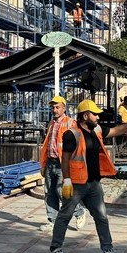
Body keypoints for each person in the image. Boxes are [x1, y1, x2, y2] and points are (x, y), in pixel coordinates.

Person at [49, 100, 127, 253]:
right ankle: (56, 247)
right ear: (85, 115)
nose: (98, 117)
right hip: (76, 184)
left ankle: (108, 248)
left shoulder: (97, 129)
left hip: (94, 184)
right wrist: (66, 180)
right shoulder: (71, 134)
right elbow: (65, 159)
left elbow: (116, 131)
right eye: (94, 114)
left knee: (101, 216)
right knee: (65, 215)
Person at [38, 95, 84, 231]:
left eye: (57, 107)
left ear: (64, 108)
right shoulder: (52, 123)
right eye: (53, 107)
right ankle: (53, 220)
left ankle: (79, 212)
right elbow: (47, 145)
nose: (54, 110)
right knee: (49, 192)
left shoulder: (70, 123)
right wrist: (43, 164)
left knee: (62, 192)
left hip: (63, 164)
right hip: (50, 162)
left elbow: (78, 144)